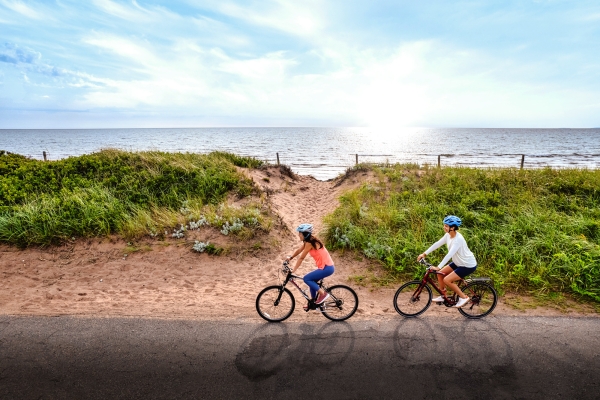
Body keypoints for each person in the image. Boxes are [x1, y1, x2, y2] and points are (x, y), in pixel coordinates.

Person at [416, 215, 477, 308]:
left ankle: (463, 297)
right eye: (444, 225)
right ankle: (443, 296)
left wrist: (438, 267)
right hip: (458, 262)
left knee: (447, 280)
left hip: (467, 264)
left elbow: (449, 255)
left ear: (452, 228)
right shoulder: (448, 235)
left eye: (446, 226)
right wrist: (424, 254)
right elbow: (437, 244)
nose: (444, 227)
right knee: (440, 274)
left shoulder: (458, 240)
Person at [286, 223, 335, 311]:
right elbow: (299, 250)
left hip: (327, 268)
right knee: (312, 281)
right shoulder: (308, 241)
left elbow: (301, 258)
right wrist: (291, 258)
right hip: (324, 267)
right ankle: (313, 302)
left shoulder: (310, 243)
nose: (299, 235)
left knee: (307, 279)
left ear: (305, 234)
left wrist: (293, 271)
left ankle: (322, 294)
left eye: (300, 234)